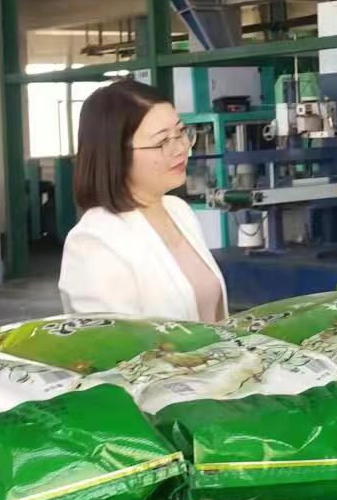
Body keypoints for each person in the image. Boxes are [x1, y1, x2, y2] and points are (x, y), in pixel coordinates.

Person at [60, 79, 228, 322]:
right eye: (162, 142)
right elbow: (111, 340)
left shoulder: (178, 211)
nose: (181, 148)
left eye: (181, 132)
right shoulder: (93, 242)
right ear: (116, 154)